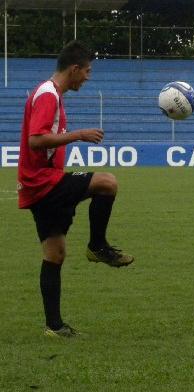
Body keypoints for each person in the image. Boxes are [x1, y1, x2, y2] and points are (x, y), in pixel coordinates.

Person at [17, 40, 134, 338]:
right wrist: (78, 134)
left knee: (54, 254)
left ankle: (54, 327)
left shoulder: (49, 93)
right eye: (87, 71)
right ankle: (97, 246)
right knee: (107, 183)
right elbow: (36, 140)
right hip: (44, 181)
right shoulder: (48, 95)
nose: (88, 77)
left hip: (38, 186)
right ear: (74, 68)